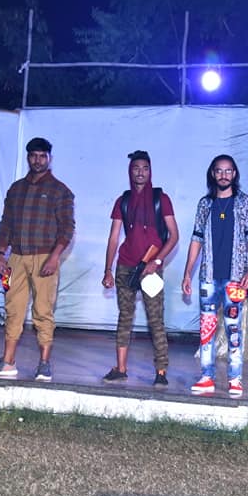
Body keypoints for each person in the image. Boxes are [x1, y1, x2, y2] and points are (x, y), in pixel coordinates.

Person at [0, 137, 75, 381]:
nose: (38, 160)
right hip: (16, 259)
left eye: (43, 156)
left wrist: (54, 257)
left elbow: (67, 228)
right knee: (13, 308)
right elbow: (6, 225)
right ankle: (8, 362)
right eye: (33, 155)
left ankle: (44, 363)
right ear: (28, 157)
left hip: (45, 258)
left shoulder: (60, 191)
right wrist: (1, 255)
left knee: (43, 310)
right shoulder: (16, 189)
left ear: (49, 158)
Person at [182, 154, 248, 396]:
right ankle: (207, 377)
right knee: (206, 329)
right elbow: (196, 239)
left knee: (233, 329)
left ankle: (235, 379)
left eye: (228, 171)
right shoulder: (205, 204)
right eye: (219, 171)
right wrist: (187, 273)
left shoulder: (245, 203)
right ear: (213, 174)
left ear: (234, 174)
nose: (223, 175)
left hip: (235, 277)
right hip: (208, 276)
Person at [101, 150, 179, 385]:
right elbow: (113, 238)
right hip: (125, 266)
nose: (140, 172)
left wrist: (157, 261)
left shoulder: (160, 199)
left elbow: (174, 236)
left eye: (145, 168)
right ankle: (120, 368)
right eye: (136, 168)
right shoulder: (123, 201)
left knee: (155, 319)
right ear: (130, 171)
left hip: (151, 268)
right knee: (124, 317)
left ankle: (161, 372)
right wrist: (107, 270)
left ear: (150, 171)